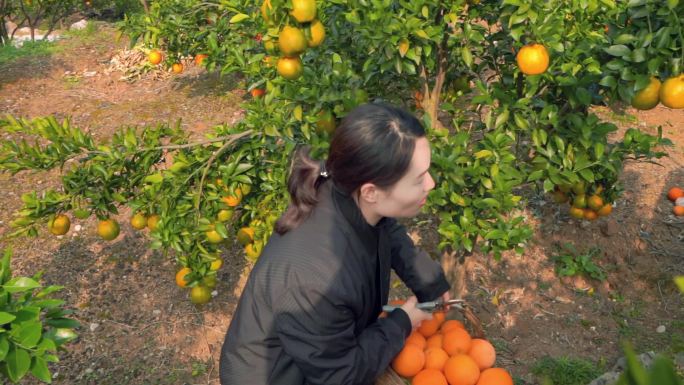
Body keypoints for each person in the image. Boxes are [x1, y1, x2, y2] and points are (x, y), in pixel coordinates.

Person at [219, 103, 451, 385]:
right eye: (418, 179)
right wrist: (403, 322)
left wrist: (430, 283)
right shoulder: (315, 279)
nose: (431, 183)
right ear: (371, 192)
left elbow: (385, 227)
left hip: (314, 357)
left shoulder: (346, 189)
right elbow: (341, 375)